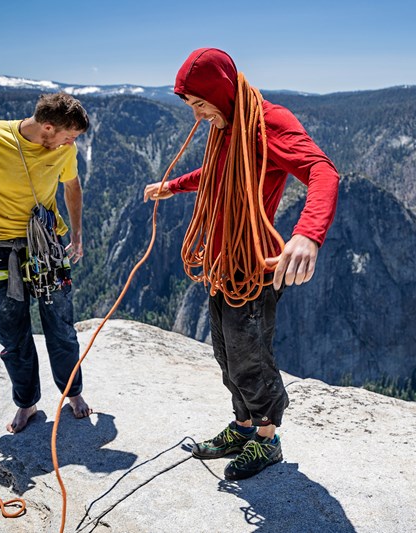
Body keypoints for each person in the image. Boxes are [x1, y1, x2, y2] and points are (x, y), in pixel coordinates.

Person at [143, 48, 339, 480]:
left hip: (253, 268)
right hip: (223, 262)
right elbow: (215, 172)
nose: (197, 115)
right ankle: (243, 427)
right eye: (190, 106)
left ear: (222, 92)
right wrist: (172, 186)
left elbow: (323, 172)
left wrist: (308, 233)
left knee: (251, 356)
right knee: (226, 354)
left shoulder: (270, 123)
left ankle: (267, 441)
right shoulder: (227, 124)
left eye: (200, 104)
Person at [0, 92, 92, 433]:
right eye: (68, 137)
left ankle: (73, 394)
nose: (71, 145)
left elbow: (72, 186)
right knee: (13, 336)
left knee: (62, 329)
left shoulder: (64, 149)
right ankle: (27, 403)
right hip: (0, 250)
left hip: (47, 247)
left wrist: (78, 234)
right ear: (48, 128)